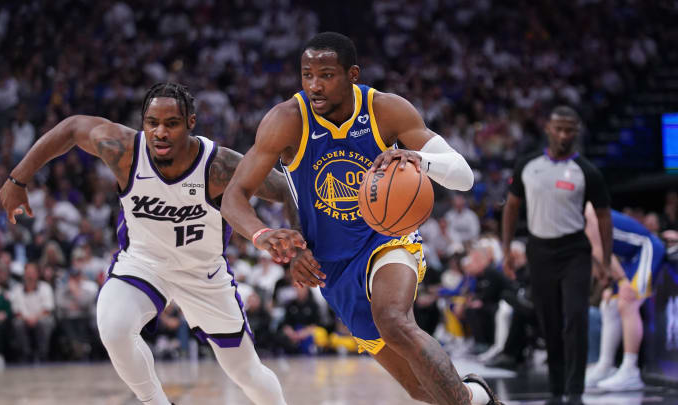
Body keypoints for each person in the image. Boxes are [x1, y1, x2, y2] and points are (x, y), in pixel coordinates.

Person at [222, 32, 501, 405]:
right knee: (422, 389)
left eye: (326, 75)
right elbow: (234, 197)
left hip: (389, 240)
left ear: (352, 74)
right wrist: (264, 235)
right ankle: (476, 395)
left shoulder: (386, 110)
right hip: (332, 267)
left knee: (394, 319)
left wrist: (422, 161)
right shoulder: (286, 120)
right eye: (307, 75)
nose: (315, 85)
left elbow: (464, 175)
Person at [0, 82, 290, 405]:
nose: (160, 132)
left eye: (172, 124)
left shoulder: (218, 166)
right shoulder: (124, 151)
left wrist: (307, 236)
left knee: (246, 372)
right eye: (152, 123)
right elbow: (72, 127)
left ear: (191, 123)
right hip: (144, 263)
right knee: (113, 326)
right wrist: (17, 179)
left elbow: (284, 190)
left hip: (203, 273)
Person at [502, 106, 613, 405]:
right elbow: (511, 207)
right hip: (539, 251)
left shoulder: (587, 171)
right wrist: (506, 251)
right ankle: (555, 390)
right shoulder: (527, 165)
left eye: (570, 130)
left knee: (576, 316)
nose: (564, 135)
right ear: (548, 129)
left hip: (574, 251)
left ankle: (575, 391)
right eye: (559, 129)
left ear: (577, 132)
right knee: (548, 321)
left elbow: (603, 216)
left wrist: (604, 261)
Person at [584, 203, 666, 391]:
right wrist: (606, 282)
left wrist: (621, 282)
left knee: (627, 303)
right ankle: (605, 365)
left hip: (647, 248)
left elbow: (601, 251)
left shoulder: (587, 212)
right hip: (630, 257)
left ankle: (630, 370)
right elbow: (594, 255)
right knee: (609, 305)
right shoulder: (574, 216)